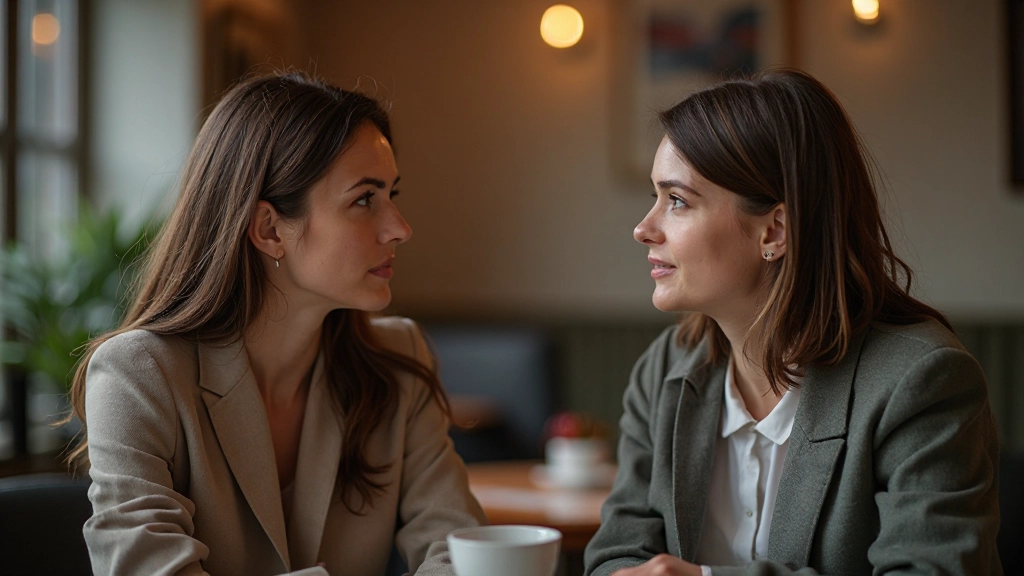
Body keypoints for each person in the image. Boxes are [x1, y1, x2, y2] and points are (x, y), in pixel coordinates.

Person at [584, 69, 1002, 575]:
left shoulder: (918, 381)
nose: (643, 229)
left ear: (775, 230)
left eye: (676, 200)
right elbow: (614, 556)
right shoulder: (664, 372)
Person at [68, 72, 487, 575]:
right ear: (269, 229)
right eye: (364, 200)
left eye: (391, 195)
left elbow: (462, 555)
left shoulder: (400, 361)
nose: (400, 227)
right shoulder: (138, 375)